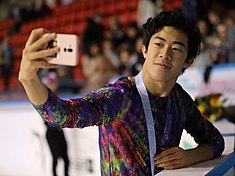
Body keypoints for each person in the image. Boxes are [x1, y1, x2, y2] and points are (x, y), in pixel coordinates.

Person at [18, 10, 224, 175]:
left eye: (176, 49)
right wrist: (28, 79)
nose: (165, 54)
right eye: (159, 44)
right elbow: (62, 115)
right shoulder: (120, 96)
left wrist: (191, 156)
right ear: (144, 49)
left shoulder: (179, 99)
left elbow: (215, 141)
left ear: (187, 61)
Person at [41, 71, 70, 176]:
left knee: (66, 159)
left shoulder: (55, 97)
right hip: (51, 133)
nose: (55, 84)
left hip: (59, 131)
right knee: (56, 159)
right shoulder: (45, 100)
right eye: (53, 83)